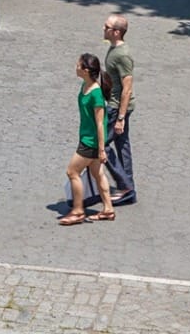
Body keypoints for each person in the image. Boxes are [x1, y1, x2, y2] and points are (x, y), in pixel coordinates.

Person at [58, 52, 115, 225]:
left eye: (78, 65)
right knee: (97, 174)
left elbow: (100, 124)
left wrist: (101, 150)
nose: (75, 67)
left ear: (86, 70)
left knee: (72, 172)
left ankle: (77, 211)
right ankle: (108, 209)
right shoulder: (85, 85)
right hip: (87, 138)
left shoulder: (96, 94)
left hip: (90, 143)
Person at [102, 15, 136, 206]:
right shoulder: (115, 50)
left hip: (117, 108)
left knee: (102, 146)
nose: (103, 28)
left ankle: (125, 186)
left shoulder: (122, 55)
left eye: (106, 27)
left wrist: (120, 118)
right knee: (122, 146)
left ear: (116, 32)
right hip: (114, 105)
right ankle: (128, 188)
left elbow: (127, 88)